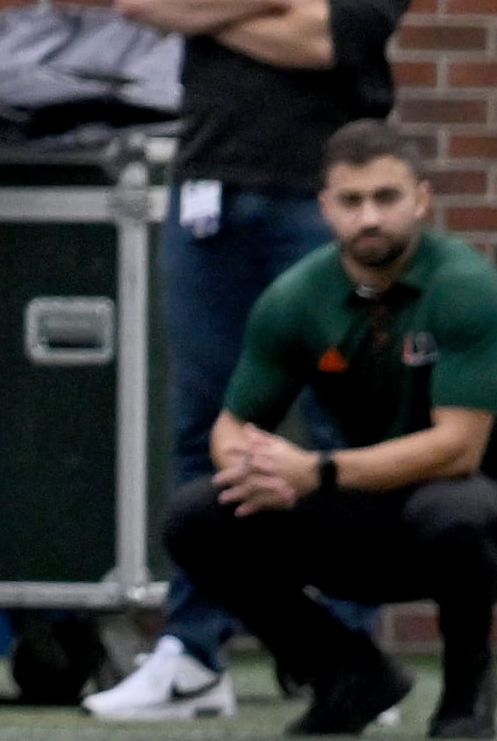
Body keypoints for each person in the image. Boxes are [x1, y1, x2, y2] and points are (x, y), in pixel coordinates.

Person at [88, 0, 440, 723]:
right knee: (208, 426)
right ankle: (193, 655)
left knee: (340, 434)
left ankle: (348, 662)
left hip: (330, 202)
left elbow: (345, 34)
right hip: (209, 181)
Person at [162, 122, 497, 737]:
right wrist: (253, 468)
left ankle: (465, 702)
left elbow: (459, 448)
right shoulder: (296, 298)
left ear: (421, 200)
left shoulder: (466, 288)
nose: (370, 217)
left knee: (458, 512)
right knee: (198, 516)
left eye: (386, 198)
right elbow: (231, 425)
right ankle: (349, 676)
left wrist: (315, 472)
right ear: (325, 208)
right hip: (362, 506)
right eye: (352, 200)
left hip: (466, 511)